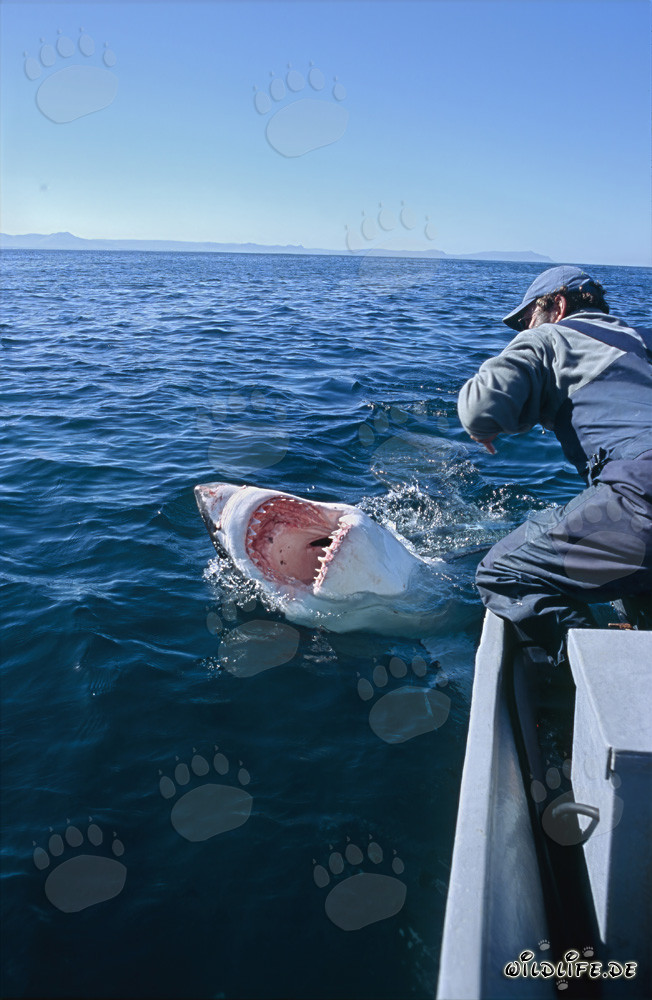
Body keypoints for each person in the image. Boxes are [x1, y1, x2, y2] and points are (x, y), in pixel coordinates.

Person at [458, 265, 652, 666]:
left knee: (503, 574)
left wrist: (485, 425)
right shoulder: (642, 340)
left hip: (642, 493)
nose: (523, 332)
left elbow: (480, 408)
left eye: (527, 320)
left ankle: (590, 683)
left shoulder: (553, 336)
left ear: (557, 305)